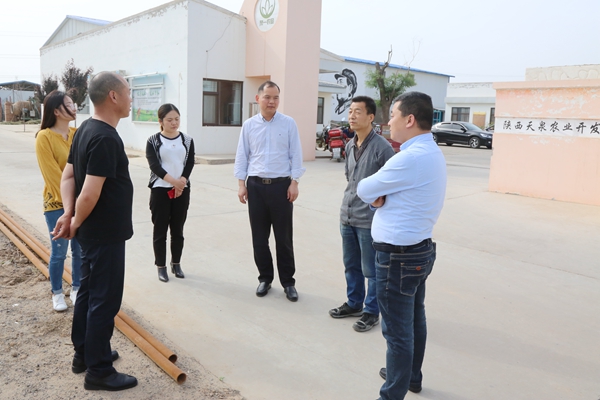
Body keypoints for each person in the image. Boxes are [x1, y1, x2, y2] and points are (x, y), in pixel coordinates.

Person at [357, 92, 447, 399]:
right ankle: (410, 376)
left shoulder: (409, 158)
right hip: (418, 250)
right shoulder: (430, 152)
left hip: (398, 258)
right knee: (414, 319)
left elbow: (365, 187)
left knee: (397, 331)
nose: (388, 121)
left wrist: (377, 197)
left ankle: (392, 393)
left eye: (393, 115)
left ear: (409, 119)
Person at [53, 71, 137, 391]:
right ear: (113, 96)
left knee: (88, 293)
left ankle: (84, 354)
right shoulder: (104, 137)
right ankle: (99, 371)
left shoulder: (85, 129)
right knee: (104, 300)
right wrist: (73, 220)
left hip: (91, 233)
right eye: (128, 91)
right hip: (104, 234)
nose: (130, 98)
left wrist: (69, 215)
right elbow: (89, 192)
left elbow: (68, 177)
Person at [234, 80, 305, 302]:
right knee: (259, 237)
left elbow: (296, 154)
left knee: (283, 238)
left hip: (281, 187)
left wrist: (295, 182)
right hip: (255, 187)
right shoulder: (249, 125)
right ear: (258, 99)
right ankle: (265, 278)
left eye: (275, 97)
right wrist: (241, 184)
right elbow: (242, 155)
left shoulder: (288, 123)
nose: (271, 101)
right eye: (267, 97)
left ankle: (288, 282)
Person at [329, 96, 395, 332]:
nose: (352, 116)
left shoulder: (382, 148)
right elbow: (351, 178)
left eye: (358, 112)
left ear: (370, 117)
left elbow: (391, 184)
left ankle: (371, 311)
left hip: (369, 220)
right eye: (350, 111)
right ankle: (354, 303)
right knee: (351, 265)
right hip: (347, 215)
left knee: (372, 270)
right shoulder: (349, 145)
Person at [34, 90, 82, 312]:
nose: (74, 108)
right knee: (59, 251)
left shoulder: (77, 134)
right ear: (56, 111)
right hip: (56, 205)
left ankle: (77, 288)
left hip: (80, 202)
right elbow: (54, 177)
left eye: (73, 104)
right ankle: (56, 292)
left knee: (80, 251)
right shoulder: (44, 137)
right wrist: (70, 207)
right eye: (68, 105)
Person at [145, 103, 195, 282]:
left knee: (178, 229)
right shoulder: (153, 141)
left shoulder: (187, 140)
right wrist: (174, 182)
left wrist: (182, 181)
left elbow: (189, 162)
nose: (174, 123)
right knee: (160, 230)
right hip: (160, 190)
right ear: (161, 121)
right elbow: (154, 165)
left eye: (177, 119)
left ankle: (176, 263)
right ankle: (161, 266)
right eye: (169, 120)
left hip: (182, 191)